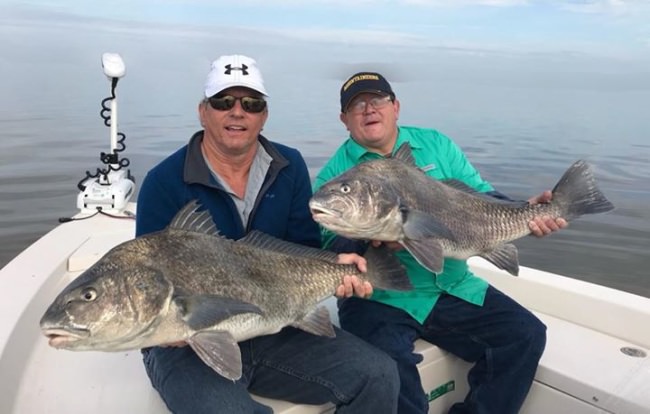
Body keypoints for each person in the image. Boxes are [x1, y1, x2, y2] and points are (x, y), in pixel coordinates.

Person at [136, 57, 399, 414]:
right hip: (186, 341)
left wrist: (338, 263)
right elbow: (148, 274)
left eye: (252, 103)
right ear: (203, 111)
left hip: (275, 325)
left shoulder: (288, 166)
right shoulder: (163, 181)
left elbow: (302, 249)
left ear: (264, 115)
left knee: (380, 374)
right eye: (223, 101)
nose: (238, 112)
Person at [312, 71, 568, 414]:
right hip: (381, 299)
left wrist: (527, 210)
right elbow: (329, 247)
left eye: (377, 100)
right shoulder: (334, 175)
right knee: (389, 370)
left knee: (525, 335)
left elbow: (482, 195)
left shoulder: (436, 144)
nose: (368, 109)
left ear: (396, 107)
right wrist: (369, 241)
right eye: (356, 105)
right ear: (344, 119)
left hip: (452, 285)